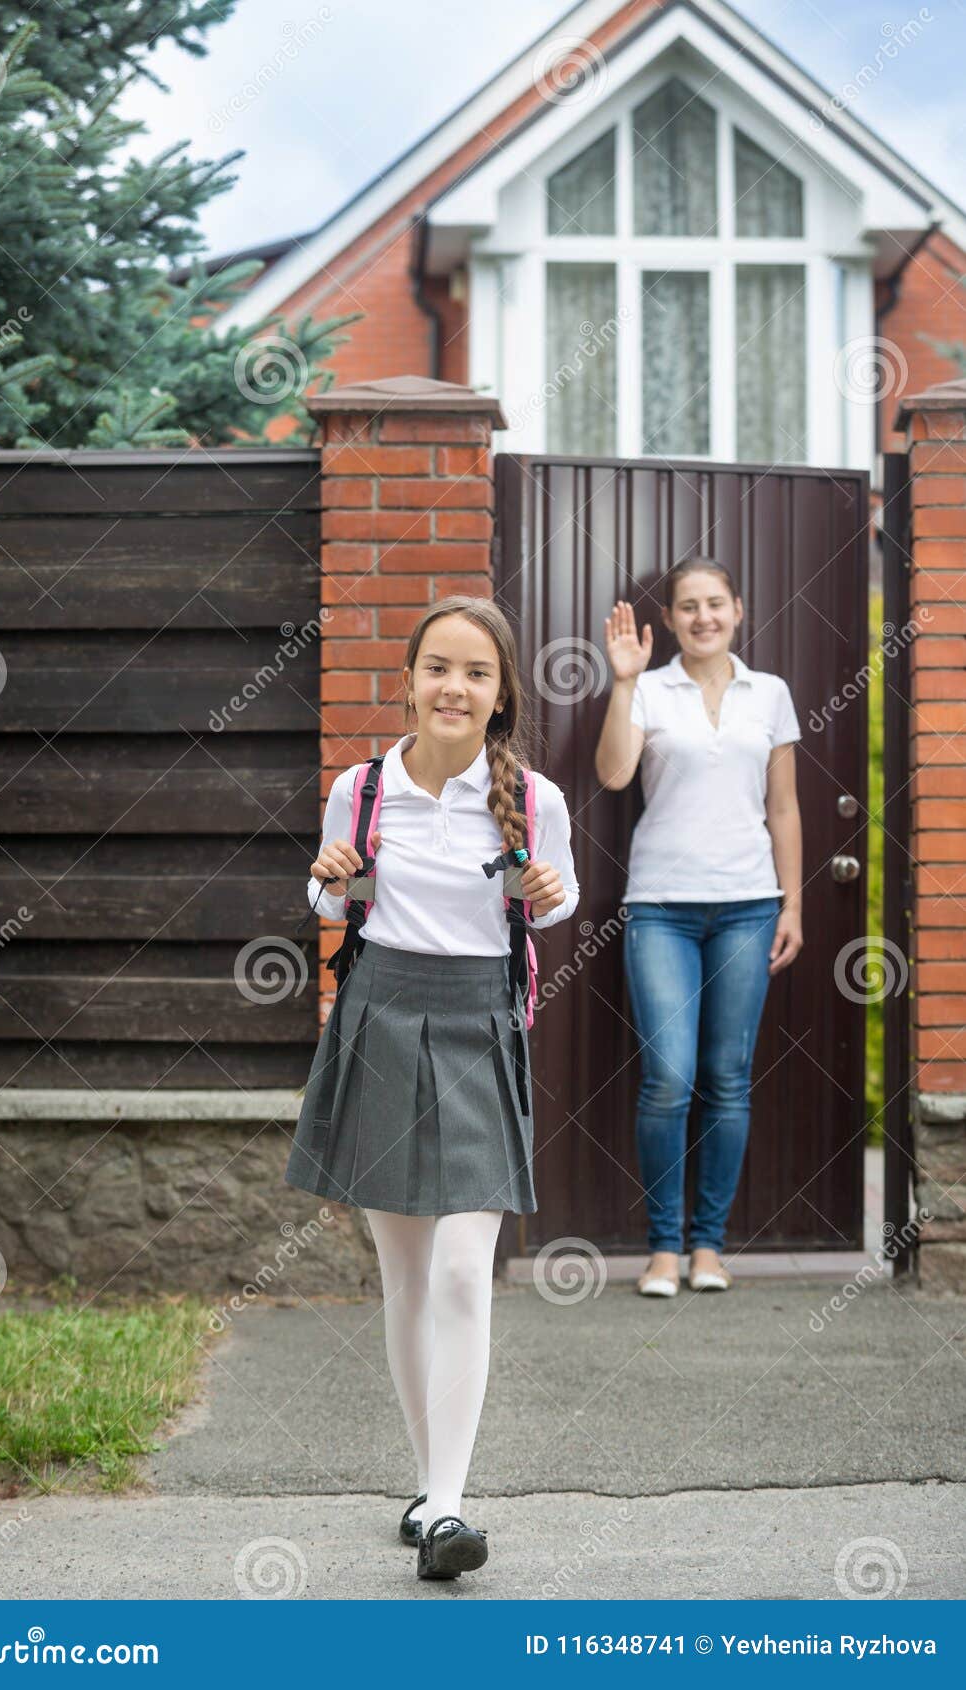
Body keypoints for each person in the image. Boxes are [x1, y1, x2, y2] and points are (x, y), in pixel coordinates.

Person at [285, 594, 579, 1581]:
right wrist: (327, 879)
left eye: (477, 672)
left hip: (476, 1028)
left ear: (499, 698)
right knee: (404, 1277)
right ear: (408, 681)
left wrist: (547, 892)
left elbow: (560, 892)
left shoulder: (532, 798)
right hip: (378, 1021)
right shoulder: (361, 789)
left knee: (460, 1270)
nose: (454, 685)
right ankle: (428, 1487)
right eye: (438, 667)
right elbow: (334, 899)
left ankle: (447, 1506)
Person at [595, 558, 803, 1297]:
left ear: (737, 610)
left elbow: (782, 807)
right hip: (661, 906)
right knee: (667, 1078)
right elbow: (614, 775)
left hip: (748, 904)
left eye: (714, 604)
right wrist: (622, 681)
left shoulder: (769, 694)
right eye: (688, 606)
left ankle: (707, 1246)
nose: (702, 617)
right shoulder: (648, 689)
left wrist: (792, 905)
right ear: (671, 618)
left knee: (726, 1078)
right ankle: (661, 1248)